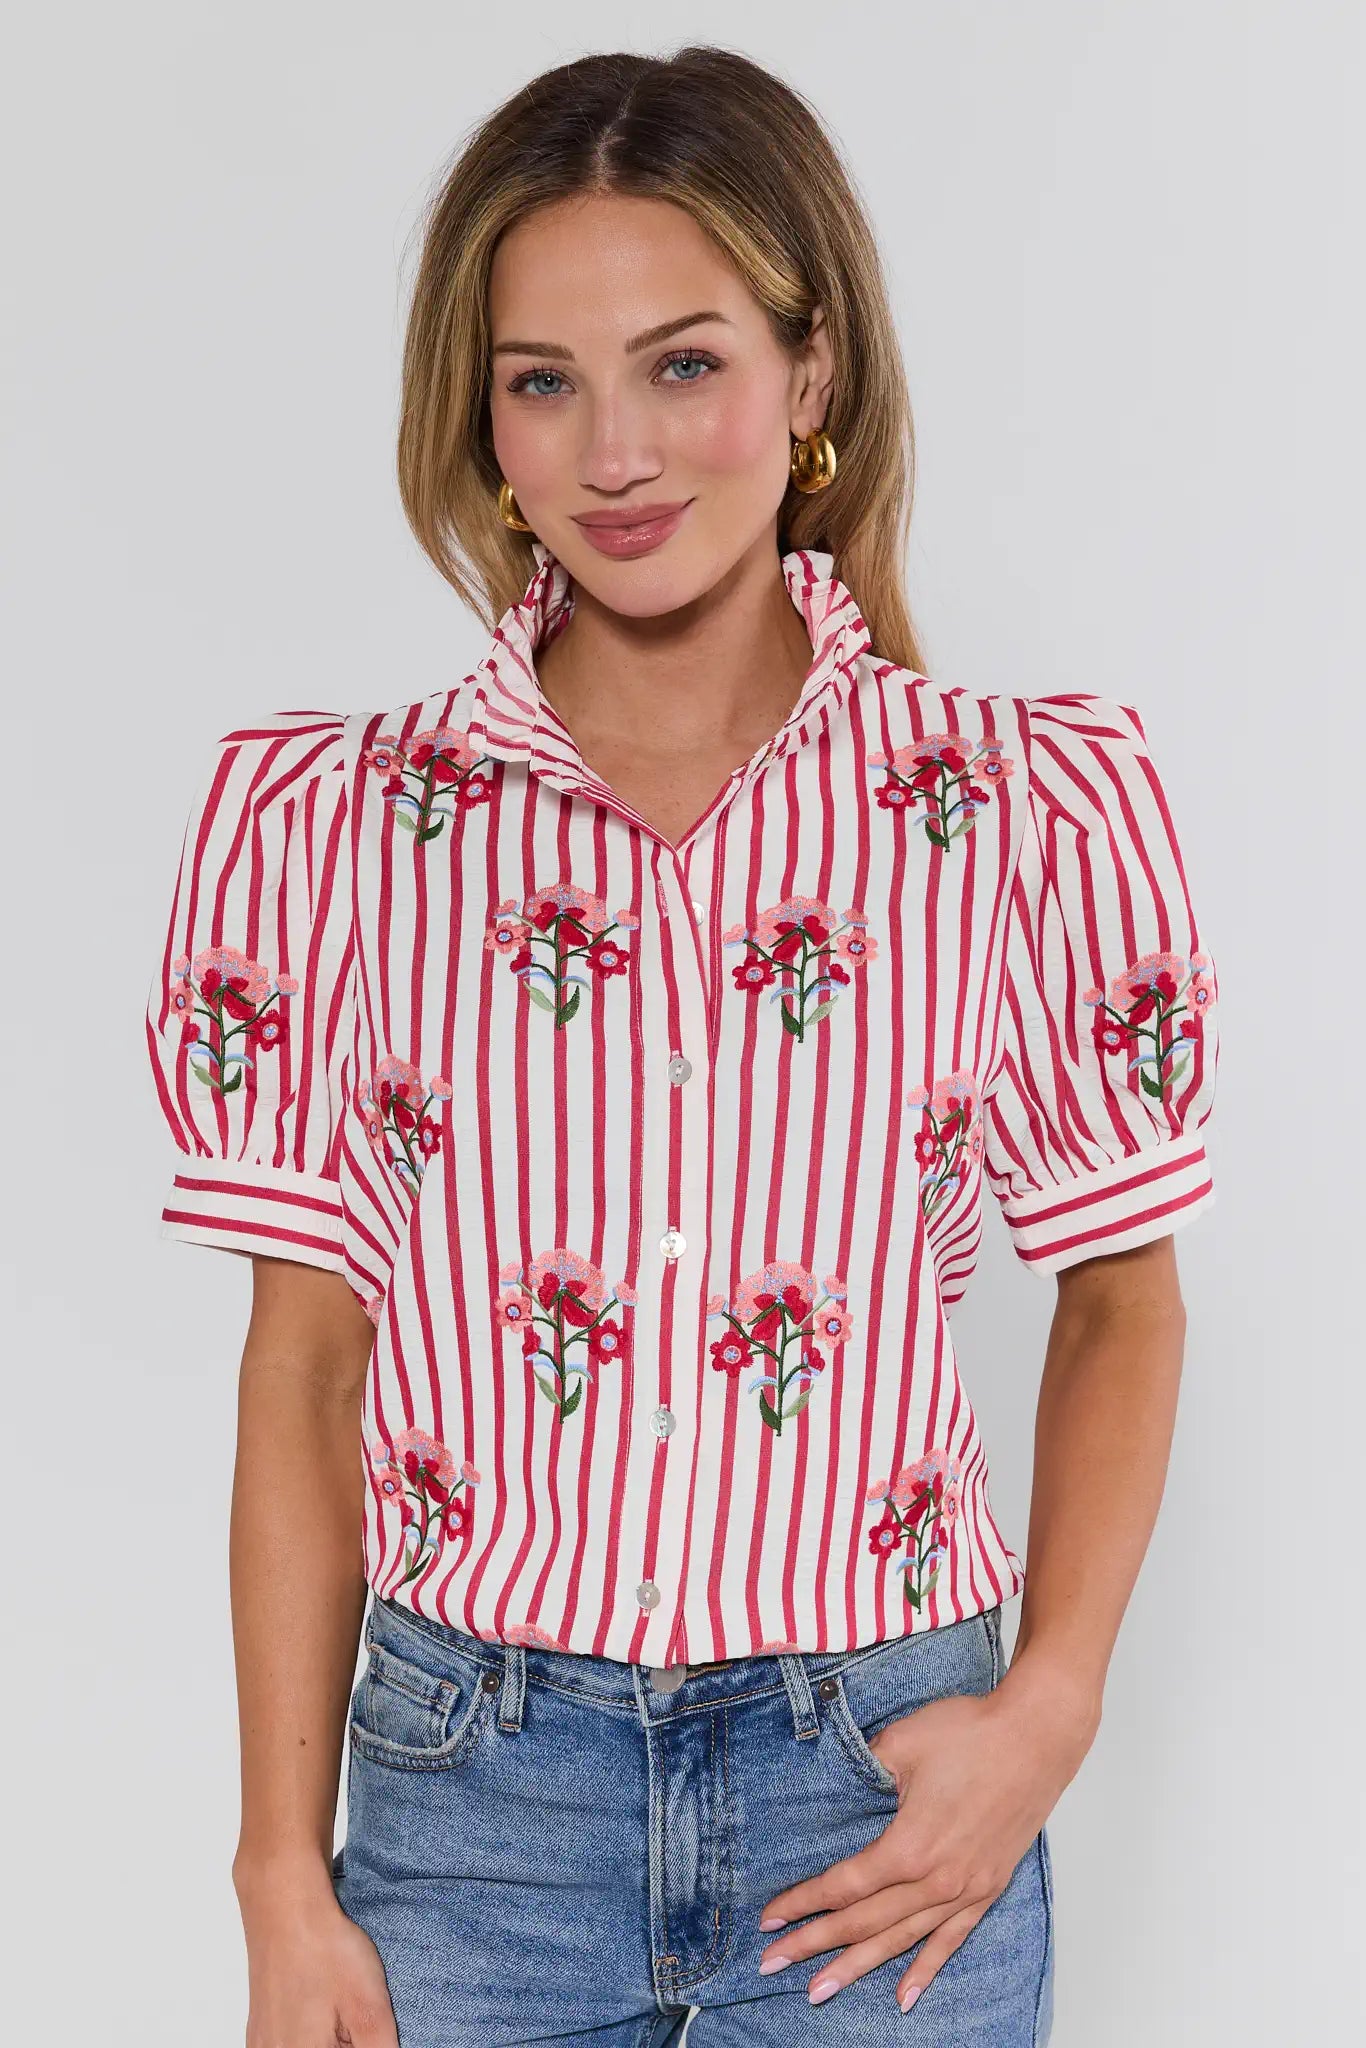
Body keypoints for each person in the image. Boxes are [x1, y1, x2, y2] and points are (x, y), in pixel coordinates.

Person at [144, 43, 1219, 2048]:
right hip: (470, 1808)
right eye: (541, 378)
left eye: (683, 362)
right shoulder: (341, 828)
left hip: (886, 1794)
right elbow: (302, 1371)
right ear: (481, 421)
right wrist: (280, 1881)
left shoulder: (1003, 807)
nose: (614, 448)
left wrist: (1045, 1706)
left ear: (808, 377)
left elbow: (1121, 1298)